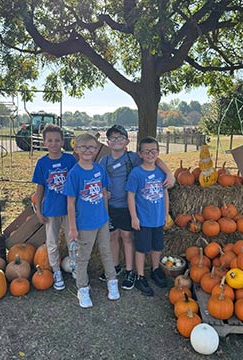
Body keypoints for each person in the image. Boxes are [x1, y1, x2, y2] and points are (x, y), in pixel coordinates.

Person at [99, 124, 174, 291]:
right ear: (108, 142)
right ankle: (116, 266)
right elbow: (99, 179)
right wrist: (103, 192)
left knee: (127, 237)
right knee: (112, 236)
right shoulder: (104, 161)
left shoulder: (133, 157)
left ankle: (130, 271)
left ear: (126, 141)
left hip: (127, 207)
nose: (116, 140)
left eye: (120, 137)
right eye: (113, 138)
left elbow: (154, 158)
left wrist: (169, 173)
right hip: (111, 206)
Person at [64, 133, 120, 308]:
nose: (88, 150)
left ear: (96, 150)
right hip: (85, 223)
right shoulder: (74, 173)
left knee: (106, 251)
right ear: (76, 149)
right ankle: (82, 288)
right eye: (83, 147)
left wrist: (107, 214)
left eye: (91, 147)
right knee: (83, 257)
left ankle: (112, 281)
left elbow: (104, 193)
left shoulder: (99, 169)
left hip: (101, 220)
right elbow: (71, 203)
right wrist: (73, 228)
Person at [32, 124, 77, 291]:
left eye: (57, 140)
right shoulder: (42, 163)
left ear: (62, 141)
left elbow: (76, 182)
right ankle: (56, 271)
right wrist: (38, 209)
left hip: (69, 209)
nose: (54, 143)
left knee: (73, 240)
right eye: (49, 140)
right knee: (51, 243)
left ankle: (75, 267)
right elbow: (40, 188)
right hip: (51, 209)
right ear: (44, 143)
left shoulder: (70, 160)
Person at [125, 136, 169, 296]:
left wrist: (166, 214)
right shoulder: (136, 173)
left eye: (154, 151)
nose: (150, 154)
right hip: (143, 219)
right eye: (146, 151)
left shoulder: (161, 172)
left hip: (158, 218)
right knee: (142, 249)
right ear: (140, 154)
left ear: (158, 152)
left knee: (157, 246)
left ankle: (155, 269)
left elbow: (165, 194)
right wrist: (134, 217)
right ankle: (140, 276)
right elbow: (130, 196)